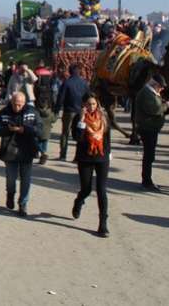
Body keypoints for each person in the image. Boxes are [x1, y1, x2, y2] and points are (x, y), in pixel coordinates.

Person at [0, 92, 42, 216]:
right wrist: (7, 129)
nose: (17, 107)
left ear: (24, 103)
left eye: (20, 105)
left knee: (26, 179)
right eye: (15, 104)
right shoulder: (4, 112)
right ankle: (10, 194)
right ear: (11, 102)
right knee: (11, 178)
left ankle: (23, 204)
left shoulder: (32, 112)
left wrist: (24, 129)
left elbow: (40, 130)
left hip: (27, 150)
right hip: (10, 150)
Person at [71, 95, 111, 237]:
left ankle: (103, 224)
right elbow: (77, 137)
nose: (91, 107)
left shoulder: (104, 117)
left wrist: (108, 154)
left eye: (94, 104)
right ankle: (79, 201)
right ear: (84, 105)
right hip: (85, 157)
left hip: (101, 157)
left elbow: (107, 138)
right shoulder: (78, 118)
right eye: (88, 104)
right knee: (86, 189)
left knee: (101, 190)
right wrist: (82, 120)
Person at [135, 75, 169, 191]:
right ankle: (147, 181)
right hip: (148, 128)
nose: (161, 89)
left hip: (151, 128)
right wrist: (167, 105)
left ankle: (147, 179)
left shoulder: (150, 93)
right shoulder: (146, 93)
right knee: (149, 155)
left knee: (149, 155)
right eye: (161, 87)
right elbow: (155, 109)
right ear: (155, 85)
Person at [54, 64, 89, 160]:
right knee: (79, 133)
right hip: (80, 111)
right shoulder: (84, 83)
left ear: (70, 72)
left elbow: (60, 98)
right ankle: (78, 156)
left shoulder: (66, 83)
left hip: (68, 111)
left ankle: (63, 155)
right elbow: (88, 96)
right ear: (79, 71)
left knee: (65, 133)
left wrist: (56, 110)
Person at [34, 63, 56, 165]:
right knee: (45, 140)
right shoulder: (49, 89)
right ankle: (44, 152)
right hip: (48, 113)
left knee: (37, 138)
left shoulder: (37, 88)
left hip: (39, 111)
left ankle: (41, 153)